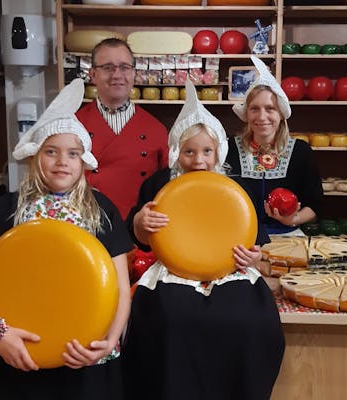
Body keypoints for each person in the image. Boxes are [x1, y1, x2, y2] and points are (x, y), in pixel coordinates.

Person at [121, 80, 284, 400]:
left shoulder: (235, 189)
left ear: (218, 151)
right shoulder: (159, 184)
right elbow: (138, 239)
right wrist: (141, 224)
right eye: (189, 151)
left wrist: (252, 258)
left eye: (206, 151)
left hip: (229, 272)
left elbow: (257, 246)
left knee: (250, 321)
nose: (198, 160)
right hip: (171, 274)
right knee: (168, 320)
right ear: (175, 152)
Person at [0, 79, 132, 400]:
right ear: (34, 156)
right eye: (50, 152)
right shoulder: (7, 209)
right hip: (19, 354)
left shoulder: (100, 209)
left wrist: (110, 340)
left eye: (72, 153)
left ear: (83, 162)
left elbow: (121, 286)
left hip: (86, 357)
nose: (61, 161)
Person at [227, 56, 323, 235]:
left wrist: (293, 219)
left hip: (287, 235)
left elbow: (315, 204)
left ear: (281, 113)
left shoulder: (300, 152)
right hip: (240, 236)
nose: (262, 117)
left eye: (270, 108)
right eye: (254, 109)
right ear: (246, 113)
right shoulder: (229, 148)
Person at [76, 38, 169, 219]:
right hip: (89, 225)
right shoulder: (74, 124)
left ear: (134, 74)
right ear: (93, 74)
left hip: (138, 229)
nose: (117, 75)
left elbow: (168, 187)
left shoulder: (156, 129)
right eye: (108, 68)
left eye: (125, 67)